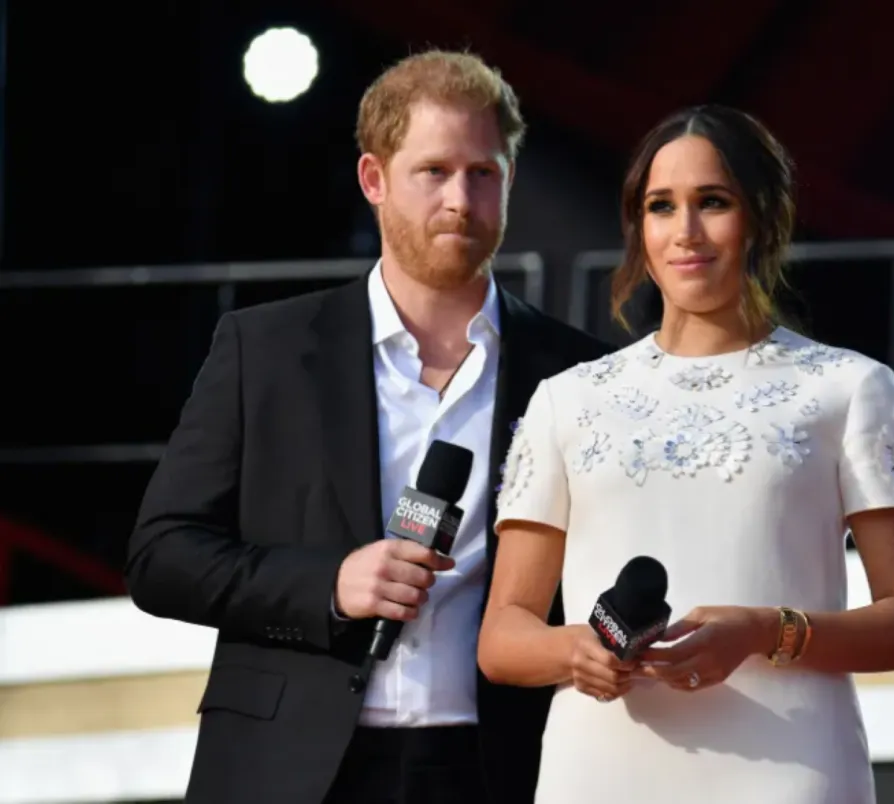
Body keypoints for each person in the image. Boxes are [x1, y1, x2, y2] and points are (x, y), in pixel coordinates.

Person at [125, 49, 610, 804]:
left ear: (508, 182)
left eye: (484, 173)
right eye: (434, 171)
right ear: (374, 180)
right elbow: (161, 555)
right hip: (289, 768)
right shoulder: (268, 350)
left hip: (496, 767)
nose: (460, 198)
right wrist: (329, 583)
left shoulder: (576, 372)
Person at [476, 104, 894, 804]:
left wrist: (765, 630)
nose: (686, 232)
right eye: (662, 207)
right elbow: (502, 638)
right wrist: (573, 651)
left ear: (759, 217)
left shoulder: (850, 388)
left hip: (789, 767)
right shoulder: (567, 401)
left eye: (713, 202)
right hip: (600, 770)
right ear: (639, 227)